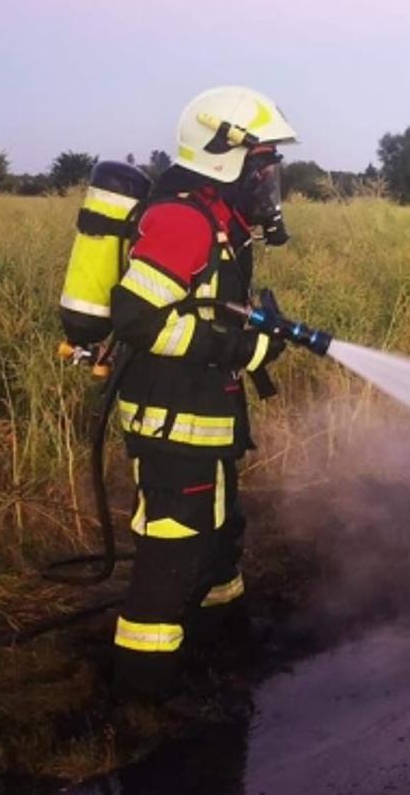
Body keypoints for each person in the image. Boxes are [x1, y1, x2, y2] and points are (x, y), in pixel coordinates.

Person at [108, 86, 297, 700]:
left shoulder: (222, 224)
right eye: (262, 166)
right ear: (224, 157)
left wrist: (252, 335)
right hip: (172, 421)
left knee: (221, 535)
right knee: (175, 551)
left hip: (203, 416)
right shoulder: (182, 221)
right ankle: (144, 695)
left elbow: (206, 309)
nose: (269, 183)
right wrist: (240, 349)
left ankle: (226, 645)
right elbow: (137, 319)